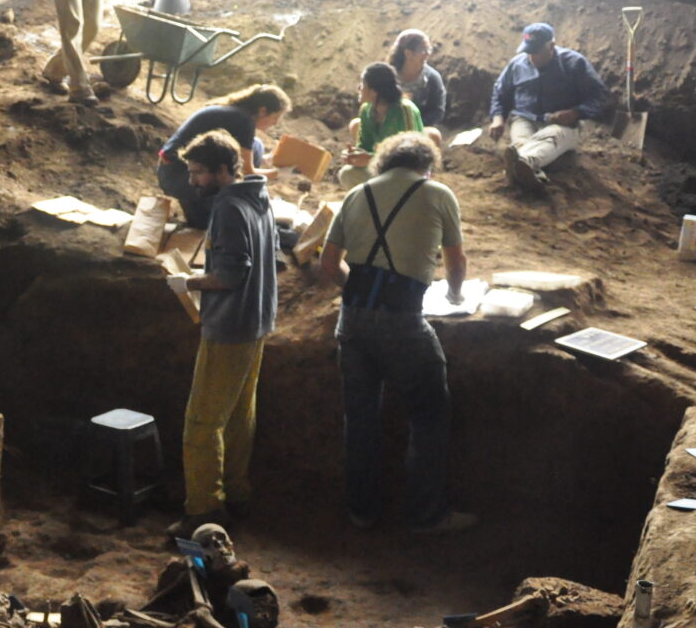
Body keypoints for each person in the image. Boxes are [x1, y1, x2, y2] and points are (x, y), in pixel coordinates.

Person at [320, 132, 475, 533]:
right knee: (429, 414)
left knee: (360, 417)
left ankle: (362, 510)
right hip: (403, 320)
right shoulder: (438, 194)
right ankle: (426, 514)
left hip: (352, 319)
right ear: (427, 166)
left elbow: (328, 263)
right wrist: (455, 295)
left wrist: (358, 292)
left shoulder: (356, 194)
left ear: (384, 163)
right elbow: (456, 262)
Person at [164, 130, 279, 537]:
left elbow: (230, 275)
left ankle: (204, 510)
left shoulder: (229, 207)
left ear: (222, 170)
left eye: (198, 172)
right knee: (238, 416)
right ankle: (236, 493)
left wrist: (189, 283)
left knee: (202, 422)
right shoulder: (257, 198)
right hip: (256, 322)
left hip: (230, 327)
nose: (192, 180)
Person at [487, 23, 609, 189]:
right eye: (529, 51)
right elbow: (500, 93)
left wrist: (575, 113)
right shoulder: (516, 64)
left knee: (550, 137)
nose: (532, 57)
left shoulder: (574, 63)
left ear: (551, 46)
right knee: (522, 143)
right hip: (524, 119)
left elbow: (600, 96)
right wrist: (497, 119)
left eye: (537, 52)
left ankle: (522, 163)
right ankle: (529, 171)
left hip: (561, 125)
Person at [158, 83, 291, 227]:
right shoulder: (243, 121)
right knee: (220, 220)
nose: (275, 123)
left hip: (171, 171)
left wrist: (267, 160)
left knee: (256, 145)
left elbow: (230, 153)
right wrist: (279, 173)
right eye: (276, 117)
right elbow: (247, 171)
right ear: (263, 111)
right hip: (181, 176)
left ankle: (199, 203)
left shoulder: (233, 112)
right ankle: (202, 206)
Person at [340, 62, 426, 188]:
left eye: (363, 84)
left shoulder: (405, 111)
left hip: (407, 174)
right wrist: (355, 156)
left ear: (374, 91)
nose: (359, 88)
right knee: (348, 174)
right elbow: (365, 146)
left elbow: (411, 158)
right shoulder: (366, 110)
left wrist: (371, 159)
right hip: (380, 169)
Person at [390, 29, 446, 139]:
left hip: (418, 128)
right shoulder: (387, 75)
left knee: (433, 134)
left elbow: (437, 111)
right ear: (408, 53)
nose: (428, 54)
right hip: (389, 127)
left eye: (429, 49)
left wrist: (414, 124)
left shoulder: (432, 78)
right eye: (423, 50)